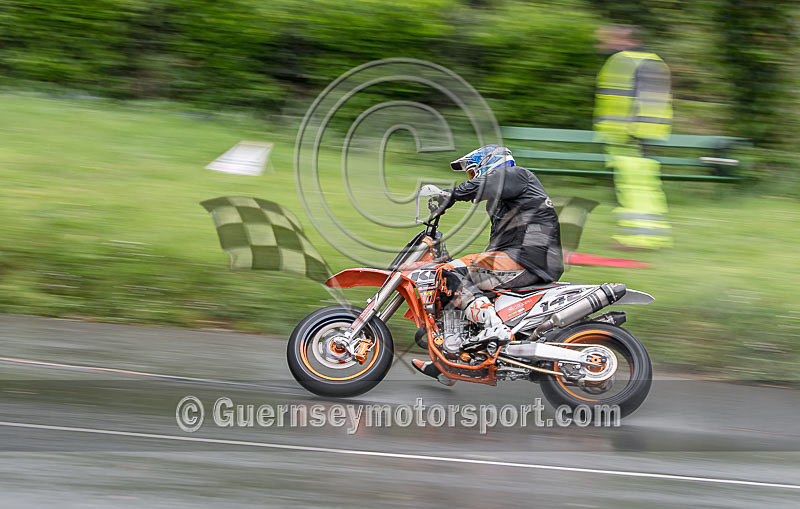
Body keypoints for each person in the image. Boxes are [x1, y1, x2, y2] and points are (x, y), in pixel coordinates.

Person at [412, 145, 563, 381]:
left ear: (490, 164)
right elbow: (495, 249)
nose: (472, 179)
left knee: (449, 272)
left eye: (473, 173)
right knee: (452, 284)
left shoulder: (519, 176)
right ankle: (450, 363)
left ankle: (495, 329)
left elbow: (485, 184)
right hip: (521, 259)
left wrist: (449, 194)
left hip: (527, 259)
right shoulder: (503, 203)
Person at [595, 24, 673, 250]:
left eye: (607, 38)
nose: (602, 44)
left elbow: (628, 99)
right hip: (646, 134)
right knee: (644, 187)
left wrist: (628, 132)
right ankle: (650, 236)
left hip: (629, 136)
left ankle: (638, 239)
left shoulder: (623, 61)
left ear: (625, 38)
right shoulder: (653, 60)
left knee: (633, 187)